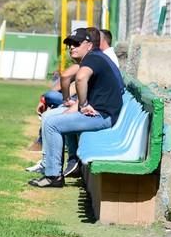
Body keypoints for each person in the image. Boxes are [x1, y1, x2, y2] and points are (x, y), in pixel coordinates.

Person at [28, 27, 124, 188]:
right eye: (70, 44)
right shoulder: (94, 57)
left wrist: (83, 104)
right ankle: (52, 166)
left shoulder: (93, 57)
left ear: (88, 44)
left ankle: (53, 176)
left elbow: (80, 78)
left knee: (52, 124)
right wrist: (79, 104)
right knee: (48, 116)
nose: (72, 47)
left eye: (76, 43)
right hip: (100, 112)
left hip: (103, 117)